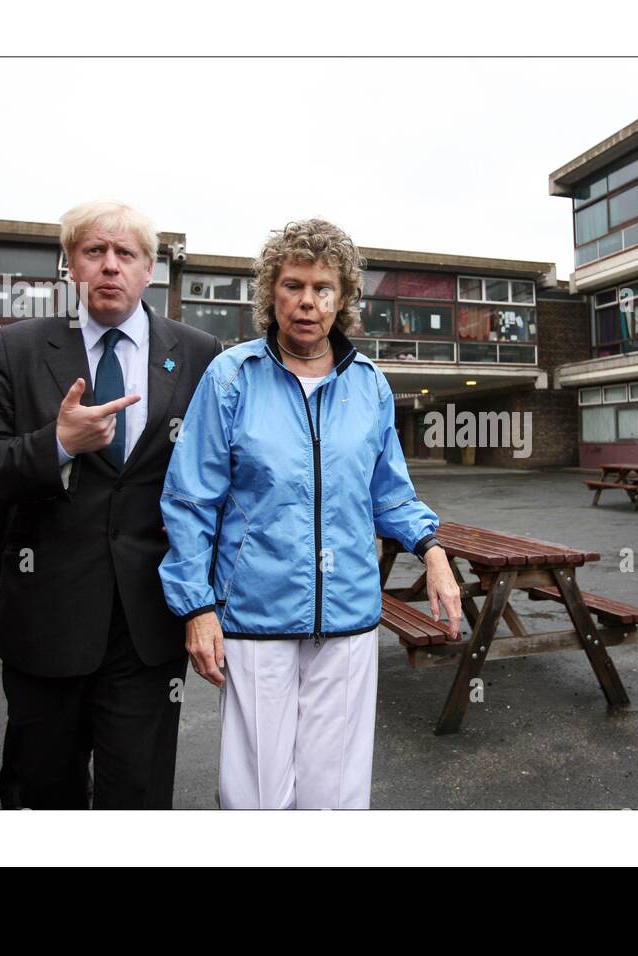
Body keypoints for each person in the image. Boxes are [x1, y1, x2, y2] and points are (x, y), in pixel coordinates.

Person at [160, 218, 463, 809]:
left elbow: (391, 494)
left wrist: (433, 550)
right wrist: (196, 606)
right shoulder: (232, 377)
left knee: (337, 797)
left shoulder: (370, 385)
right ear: (271, 294)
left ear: (343, 298)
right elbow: (190, 499)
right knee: (256, 797)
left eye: (323, 289)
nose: (307, 302)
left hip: (348, 619)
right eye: (293, 285)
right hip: (254, 619)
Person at [0, 200, 222, 807]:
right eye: (94, 251)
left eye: (126, 254)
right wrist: (56, 445)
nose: (110, 266)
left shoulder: (202, 355)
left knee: (139, 799)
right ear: (70, 264)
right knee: (44, 796)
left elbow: (228, 477)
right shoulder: (13, 350)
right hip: (47, 623)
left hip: (149, 626)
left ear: (150, 268)